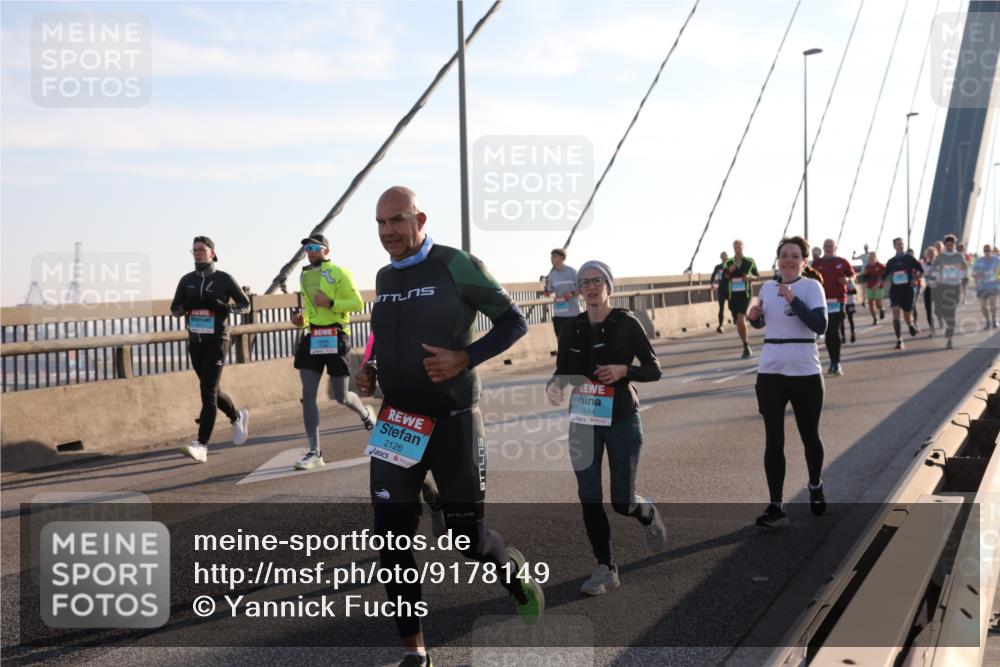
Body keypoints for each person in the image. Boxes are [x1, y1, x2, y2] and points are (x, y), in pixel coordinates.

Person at [355, 186, 542, 667]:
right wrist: (370, 366)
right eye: (380, 223)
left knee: (467, 539)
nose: (387, 232)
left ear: (419, 219)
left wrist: (465, 357)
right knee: (390, 539)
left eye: (396, 220)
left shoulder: (456, 264)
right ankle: (415, 652)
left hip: (453, 419)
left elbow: (514, 321)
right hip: (398, 420)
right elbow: (384, 332)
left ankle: (511, 569)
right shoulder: (385, 276)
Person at [545, 260, 666, 596]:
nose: (591, 287)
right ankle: (605, 566)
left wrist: (624, 371)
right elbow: (562, 371)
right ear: (579, 291)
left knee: (622, 501)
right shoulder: (571, 328)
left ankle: (645, 511)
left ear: (608, 286)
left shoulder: (626, 323)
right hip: (584, 419)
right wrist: (554, 386)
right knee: (588, 495)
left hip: (622, 417)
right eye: (585, 282)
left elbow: (654, 369)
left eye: (597, 280)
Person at [747, 236, 828, 528]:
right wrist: (754, 317)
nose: (788, 260)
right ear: (778, 259)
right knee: (774, 439)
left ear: (804, 262)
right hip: (770, 372)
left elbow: (820, 326)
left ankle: (815, 484)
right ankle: (776, 506)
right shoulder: (767, 288)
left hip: (805, 371)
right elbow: (763, 321)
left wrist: (794, 299)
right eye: (784, 255)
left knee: (809, 436)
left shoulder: (811, 287)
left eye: (794, 256)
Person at [290, 234, 375, 470]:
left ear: (326, 251)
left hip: (336, 336)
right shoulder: (305, 275)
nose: (310, 251)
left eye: (315, 247)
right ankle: (314, 452)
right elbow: (311, 308)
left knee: (341, 396)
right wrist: (302, 320)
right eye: (307, 248)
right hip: (312, 337)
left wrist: (331, 304)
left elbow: (357, 303)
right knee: (308, 396)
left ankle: (365, 414)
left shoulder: (339, 272)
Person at [170, 236, 251, 462]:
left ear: (212, 253)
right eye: (194, 250)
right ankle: (236, 417)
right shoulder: (187, 280)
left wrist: (224, 307)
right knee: (211, 389)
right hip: (196, 342)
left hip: (217, 341)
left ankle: (201, 445)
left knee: (207, 392)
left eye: (201, 249)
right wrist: (187, 306)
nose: (197, 253)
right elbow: (174, 310)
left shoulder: (224, 279)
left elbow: (245, 306)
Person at [812, 239, 855, 376]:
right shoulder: (817, 264)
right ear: (823, 248)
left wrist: (848, 280)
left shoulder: (842, 262)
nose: (828, 248)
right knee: (828, 332)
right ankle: (832, 361)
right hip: (823, 301)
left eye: (831, 246)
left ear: (835, 247)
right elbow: (810, 279)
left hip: (839, 300)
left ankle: (837, 363)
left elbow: (852, 275)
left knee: (834, 330)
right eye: (826, 246)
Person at [881, 237, 924, 349]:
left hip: (908, 290)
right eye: (898, 244)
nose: (900, 246)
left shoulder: (909, 258)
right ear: (894, 246)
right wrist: (877, 284)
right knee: (895, 311)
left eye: (902, 244)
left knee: (907, 316)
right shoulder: (891, 262)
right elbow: (884, 276)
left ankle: (910, 325)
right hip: (895, 291)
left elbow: (921, 270)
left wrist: (915, 279)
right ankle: (899, 340)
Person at [724, 240, 760, 358]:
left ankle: (746, 346)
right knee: (738, 321)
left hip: (745, 294)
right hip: (733, 296)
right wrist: (729, 271)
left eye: (739, 247)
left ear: (743, 248)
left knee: (740, 318)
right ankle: (745, 343)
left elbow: (757, 276)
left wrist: (749, 277)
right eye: (735, 248)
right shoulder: (728, 262)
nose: (737, 250)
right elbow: (725, 277)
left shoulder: (750, 261)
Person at [933, 235, 967, 349]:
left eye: (952, 245)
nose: (950, 247)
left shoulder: (959, 256)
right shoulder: (940, 257)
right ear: (945, 245)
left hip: (955, 286)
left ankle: (950, 337)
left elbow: (966, 268)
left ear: (954, 245)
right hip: (942, 285)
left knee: (951, 310)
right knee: (941, 310)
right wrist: (936, 276)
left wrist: (963, 275)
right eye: (948, 245)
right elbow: (933, 268)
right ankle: (946, 323)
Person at [543, 248, 582, 339]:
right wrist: (547, 292)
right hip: (558, 314)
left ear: (562, 258)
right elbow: (550, 292)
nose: (551, 258)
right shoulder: (551, 275)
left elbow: (582, 288)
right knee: (560, 341)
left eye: (554, 256)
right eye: (551, 257)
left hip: (573, 314)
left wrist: (571, 294)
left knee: (574, 341)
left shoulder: (572, 272)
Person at [973, 244, 1000, 329]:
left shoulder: (997, 259)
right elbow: (973, 272)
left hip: (994, 285)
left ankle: (994, 320)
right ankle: (988, 321)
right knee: (983, 306)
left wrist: (998, 277)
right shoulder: (979, 260)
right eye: (985, 250)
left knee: (992, 305)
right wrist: (976, 274)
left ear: (992, 251)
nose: (987, 252)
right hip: (982, 286)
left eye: (988, 250)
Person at [862, 252, 886, 325]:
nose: (870, 258)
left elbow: (884, 276)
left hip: (879, 287)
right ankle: (875, 318)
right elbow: (864, 277)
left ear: (875, 257)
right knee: (870, 303)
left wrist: (878, 284)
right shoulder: (867, 267)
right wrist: (864, 273)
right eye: (869, 257)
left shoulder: (880, 265)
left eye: (872, 256)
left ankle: (881, 309)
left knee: (877, 303)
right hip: (870, 287)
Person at [711, 251, 730, 333]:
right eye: (723, 256)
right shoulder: (718, 267)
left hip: (730, 290)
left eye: (725, 256)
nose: (724, 257)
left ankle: (737, 320)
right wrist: (712, 284)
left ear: (728, 257)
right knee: (721, 308)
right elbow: (713, 275)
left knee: (731, 307)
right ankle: (720, 325)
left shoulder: (731, 265)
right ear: (721, 258)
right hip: (721, 290)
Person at [921, 246, 938, 337]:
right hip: (928, 289)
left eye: (932, 254)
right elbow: (920, 276)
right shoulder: (924, 266)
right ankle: (932, 329)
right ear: (926, 255)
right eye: (929, 254)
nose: (931, 255)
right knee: (928, 310)